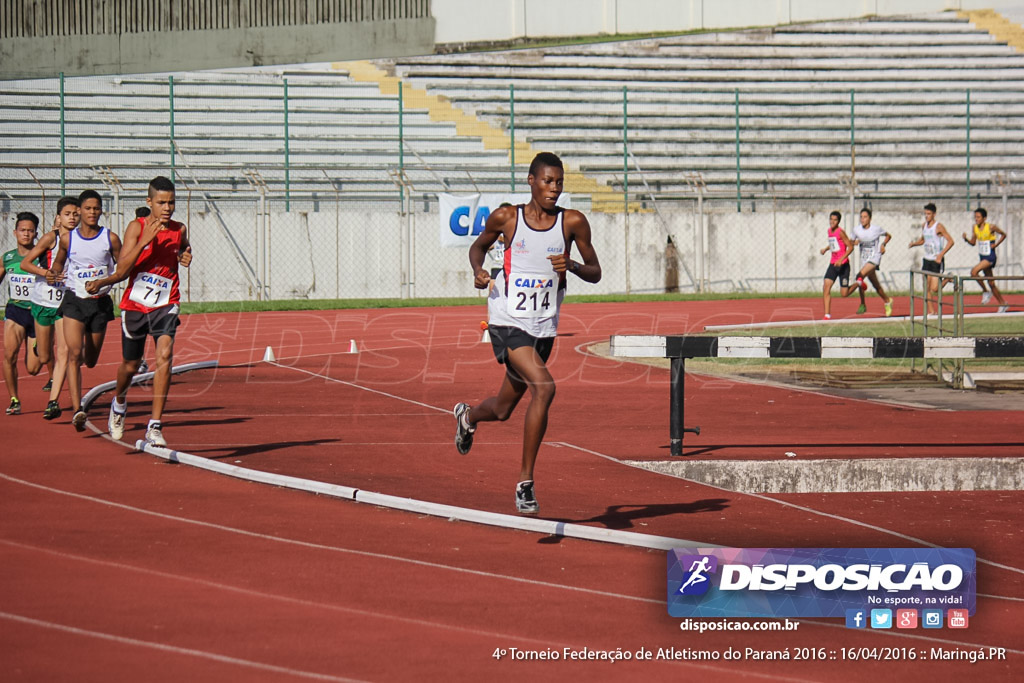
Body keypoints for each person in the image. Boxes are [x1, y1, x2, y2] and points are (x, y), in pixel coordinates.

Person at [453, 153, 602, 515]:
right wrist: (477, 271)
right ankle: (525, 483)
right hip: (506, 319)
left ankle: (467, 417)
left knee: (504, 409)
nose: (554, 189)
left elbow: (596, 271)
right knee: (545, 387)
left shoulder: (573, 222)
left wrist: (575, 266)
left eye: (559, 182)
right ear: (531, 181)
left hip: (543, 326)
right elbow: (478, 247)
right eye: (548, 181)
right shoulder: (507, 218)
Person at [86, 176, 191, 447]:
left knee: (165, 355)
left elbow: (183, 248)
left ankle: (155, 425)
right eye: (161, 202)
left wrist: (185, 254)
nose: (167, 208)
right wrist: (145, 240)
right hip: (135, 305)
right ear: (149, 202)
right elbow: (122, 271)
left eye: (171, 202)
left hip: (166, 302)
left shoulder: (179, 229)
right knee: (130, 365)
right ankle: (119, 401)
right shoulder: (136, 227)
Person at [47, 189, 121, 431]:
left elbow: (124, 268)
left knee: (90, 360)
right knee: (73, 354)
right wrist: (53, 274)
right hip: (74, 301)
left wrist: (104, 281)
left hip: (99, 303)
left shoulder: (110, 239)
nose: (92, 212)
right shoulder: (68, 240)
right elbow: (58, 262)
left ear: (101, 211)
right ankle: (78, 408)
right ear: (80, 211)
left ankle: (79, 403)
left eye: (96, 208)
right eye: (87, 208)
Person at [20, 197, 79, 419]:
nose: (72, 218)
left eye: (75, 214)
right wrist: (47, 273)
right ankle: (37, 345)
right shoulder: (49, 238)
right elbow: (26, 264)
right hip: (43, 301)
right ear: (59, 217)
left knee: (64, 351)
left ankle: (52, 402)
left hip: (67, 304)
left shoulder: (82, 240)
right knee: (45, 355)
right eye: (67, 214)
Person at [2, 212, 44, 415]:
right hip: (15, 310)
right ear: (15, 232)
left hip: (36, 313)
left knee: (33, 369)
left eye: (30, 230)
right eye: (22, 230)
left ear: (36, 233)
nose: (26, 234)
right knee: (9, 355)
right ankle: (14, 399)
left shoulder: (42, 257)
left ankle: (39, 345)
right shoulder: (8, 258)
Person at [908, 202, 954, 316]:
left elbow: (951, 241)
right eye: (925, 214)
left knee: (935, 289)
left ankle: (948, 278)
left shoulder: (938, 226)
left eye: (928, 214)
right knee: (926, 287)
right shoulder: (924, 226)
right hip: (927, 260)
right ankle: (932, 311)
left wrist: (940, 255)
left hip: (936, 261)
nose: (926, 216)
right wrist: (914, 244)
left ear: (934, 214)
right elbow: (923, 240)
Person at [962, 207, 1009, 313]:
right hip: (983, 256)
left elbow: (1004, 235)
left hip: (990, 257)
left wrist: (995, 245)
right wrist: (966, 239)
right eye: (975, 217)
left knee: (974, 272)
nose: (976, 219)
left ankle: (985, 291)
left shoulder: (991, 227)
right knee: (991, 283)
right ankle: (1003, 303)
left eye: (978, 217)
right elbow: (973, 243)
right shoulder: (975, 228)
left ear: (984, 218)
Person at [850, 207, 894, 316]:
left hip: (875, 258)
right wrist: (854, 242)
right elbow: (850, 241)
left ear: (870, 218)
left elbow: (888, 235)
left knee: (859, 276)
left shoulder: (876, 229)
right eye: (861, 217)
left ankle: (863, 304)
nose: (862, 219)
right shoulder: (856, 230)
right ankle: (887, 301)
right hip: (864, 260)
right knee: (876, 285)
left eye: (865, 217)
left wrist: (883, 244)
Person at [819, 210, 855, 320]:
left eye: (835, 220)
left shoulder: (841, 232)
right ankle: (827, 315)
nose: (832, 222)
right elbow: (834, 243)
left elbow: (850, 247)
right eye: (831, 219)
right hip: (833, 264)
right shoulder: (829, 231)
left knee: (844, 293)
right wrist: (826, 248)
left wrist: (841, 259)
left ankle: (858, 283)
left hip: (843, 265)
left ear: (838, 221)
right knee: (826, 286)